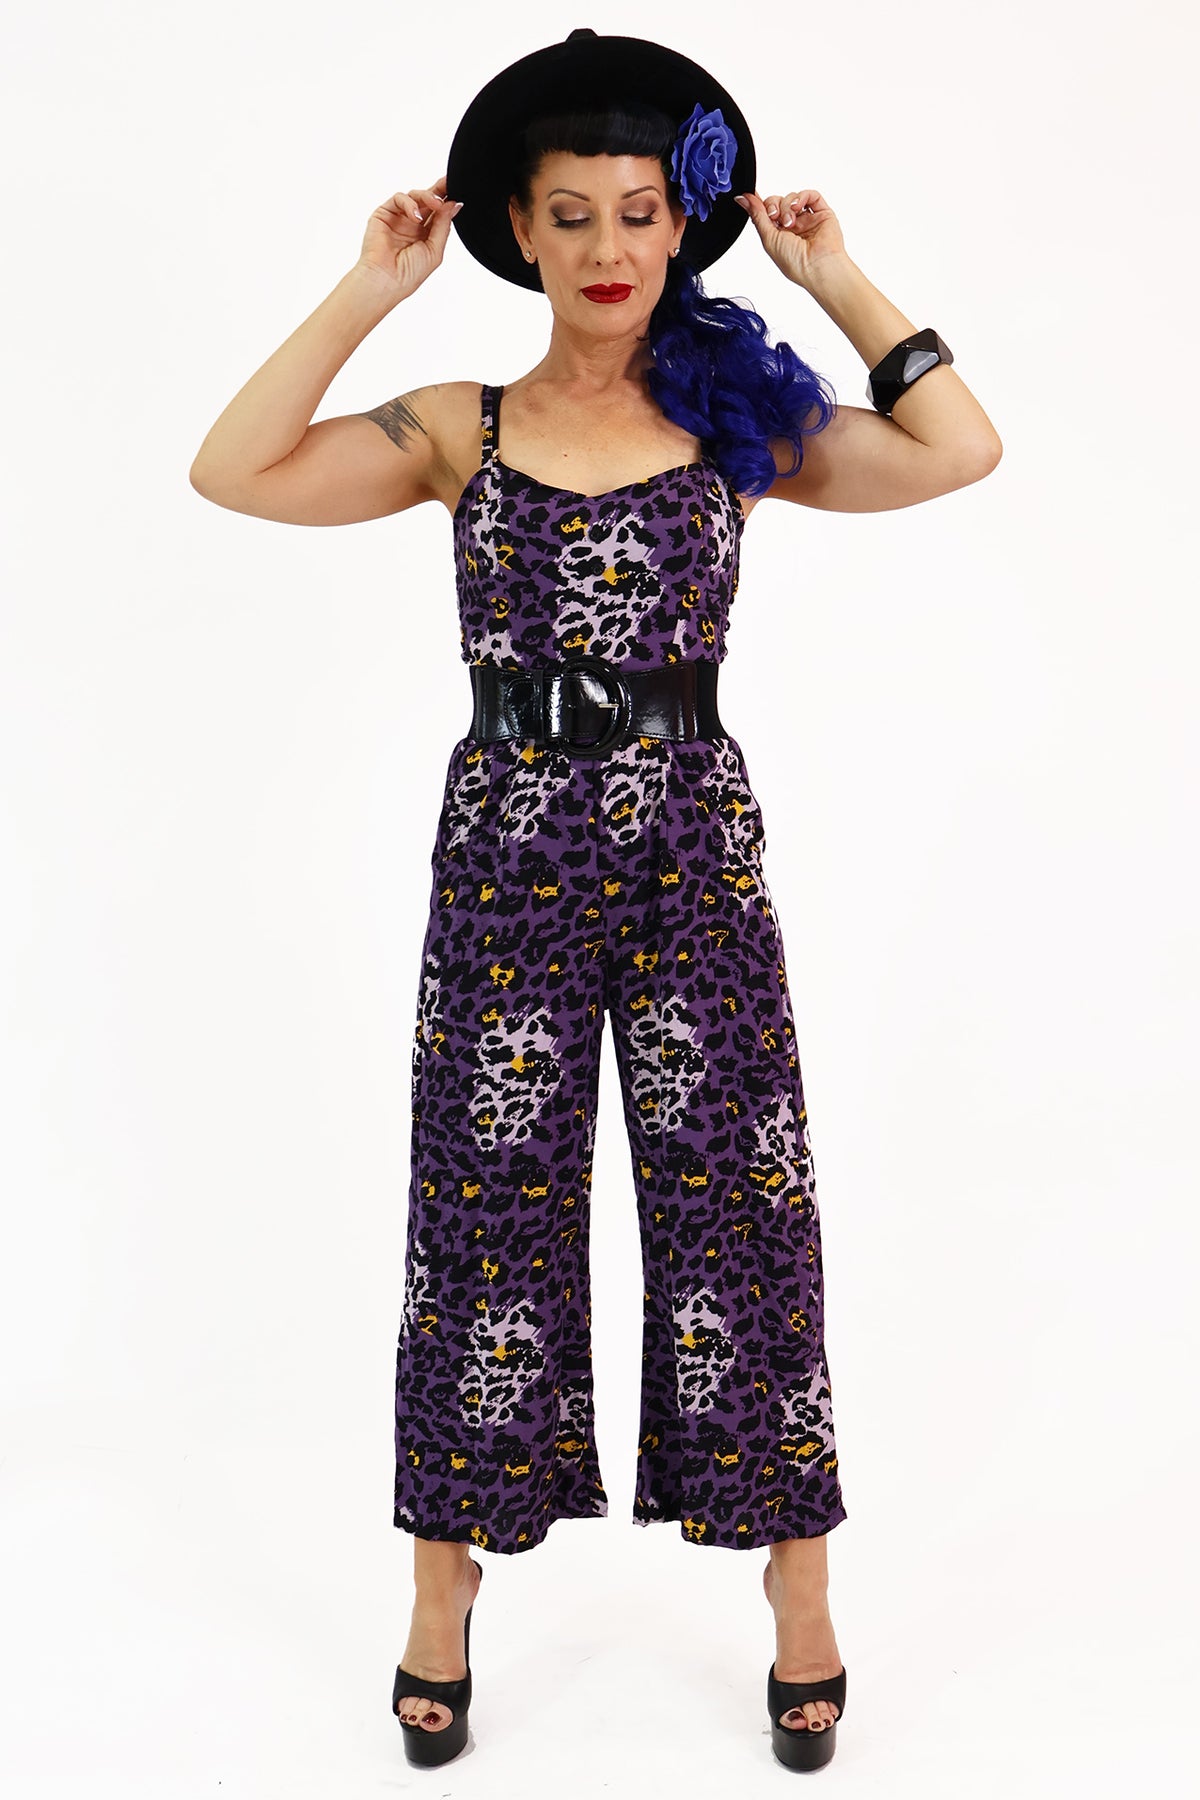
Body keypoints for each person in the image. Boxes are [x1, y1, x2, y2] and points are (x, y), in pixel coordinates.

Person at [190, 25, 1001, 1775]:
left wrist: (835, 276)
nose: (611, 246)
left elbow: (959, 448)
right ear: (522, 232)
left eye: (639, 211)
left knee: (745, 1212)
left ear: (680, 225)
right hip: (506, 846)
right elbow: (230, 470)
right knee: (481, 1211)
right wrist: (367, 292)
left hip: (694, 842)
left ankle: (799, 1590)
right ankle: (442, 1593)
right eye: (572, 215)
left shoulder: (737, 421)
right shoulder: (459, 428)